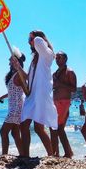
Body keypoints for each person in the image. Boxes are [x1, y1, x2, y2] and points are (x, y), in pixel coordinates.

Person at [12, 30, 57, 158]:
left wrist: (35, 37)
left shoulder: (46, 55)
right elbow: (27, 77)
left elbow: (38, 41)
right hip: (32, 95)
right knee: (25, 124)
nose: (29, 42)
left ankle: (50, 154)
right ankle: (26, 155)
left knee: (37, 128)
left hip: (41, 94)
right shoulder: (34, 59)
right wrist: (18, 67)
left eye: (30, 39)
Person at [0, 50, 27, 155]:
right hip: (14, 106)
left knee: (3, 131)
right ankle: (22, 155)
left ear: (16, 61)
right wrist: (1, 97)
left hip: (17, 107)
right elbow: (12, 91)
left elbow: (26, 88)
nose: (8, 61)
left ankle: (4, 155)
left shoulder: (18, 74)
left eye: (11, 59)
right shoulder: (13, 74)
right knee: (15, 133)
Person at [52, 51, 76, 158]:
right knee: (55, 127)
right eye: (56, 58)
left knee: (58, 128)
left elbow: (74, 89)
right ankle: (58, 152)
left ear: (65, 59)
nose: (57, 60)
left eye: (59, 58)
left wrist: (59, 84)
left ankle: (64, 153)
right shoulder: (56, 72)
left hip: (64, 101)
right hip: (56, 101)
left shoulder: (69, 72)